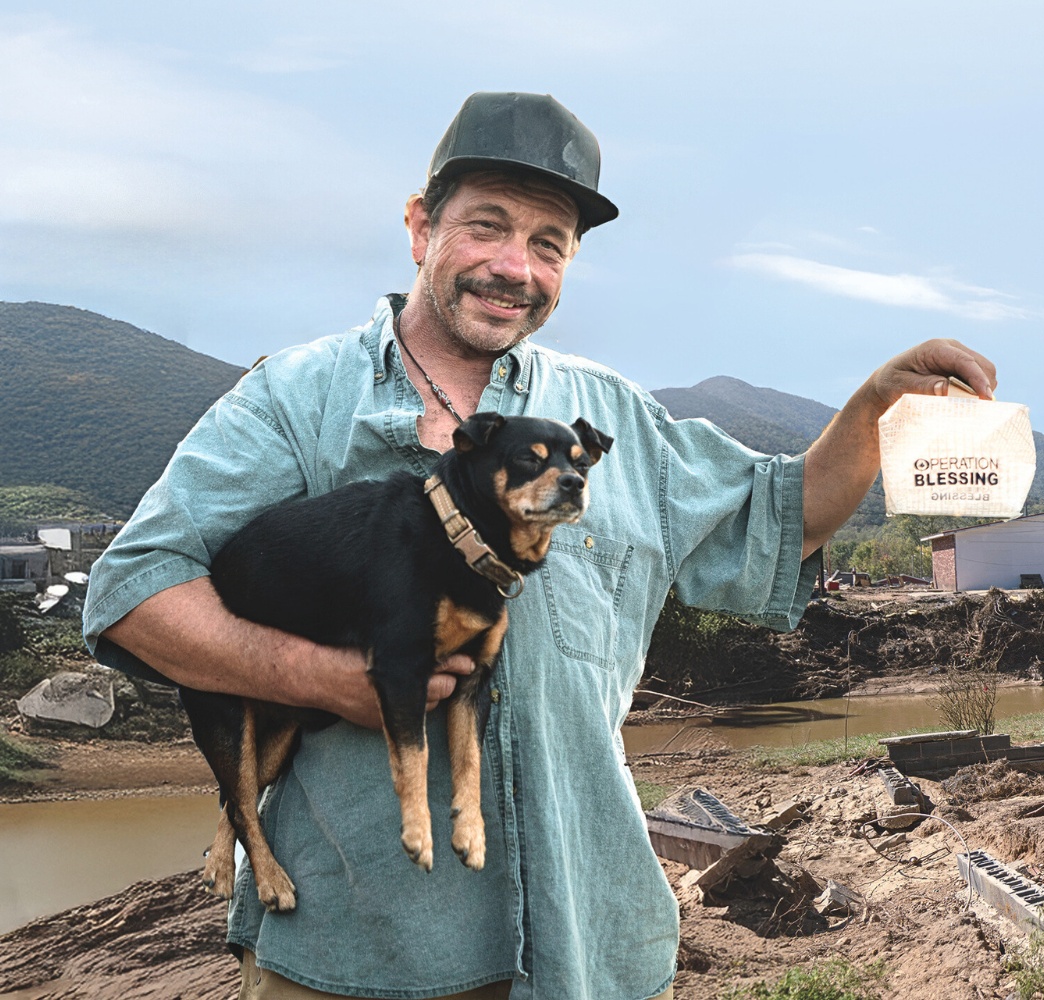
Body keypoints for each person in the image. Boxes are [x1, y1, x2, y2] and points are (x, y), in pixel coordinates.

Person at [84, 91, 996, 1000]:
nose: (514, 266)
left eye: (549, 244)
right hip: (356, 952)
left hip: (586, 943)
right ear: (419, 228)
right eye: (487, 226)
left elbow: (784, 517)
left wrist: (876, 404)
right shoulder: (295, 402)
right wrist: (317, 680)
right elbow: (133, 592)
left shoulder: (614, 421)